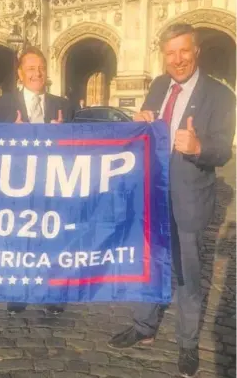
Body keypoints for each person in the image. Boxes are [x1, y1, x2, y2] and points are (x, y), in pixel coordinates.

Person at [107, 23, 236, 378]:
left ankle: (187, 344)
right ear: (163, 55)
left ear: (196, 52)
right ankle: (143, 326)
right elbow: (144, 129)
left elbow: (223, 150)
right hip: (150, 195)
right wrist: (139, 120)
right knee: (148, 263)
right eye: (170, 52)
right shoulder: (160, 85)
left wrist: (199, 147)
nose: (177, 59)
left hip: (189, 200)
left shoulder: (221, 96)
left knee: (187, 276)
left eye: (184, 51)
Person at [0, 46, 73, 314]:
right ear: (20, 73)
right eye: (31, 68)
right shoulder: (3, 104)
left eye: (41, 68)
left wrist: (64, 137)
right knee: (18, 238)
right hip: (16, 185)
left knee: (51, 239)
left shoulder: (63, 105)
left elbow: (80, 149)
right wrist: (10, 135)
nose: (37, 73)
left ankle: (51, 292)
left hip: (52, 186)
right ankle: (18, 291)